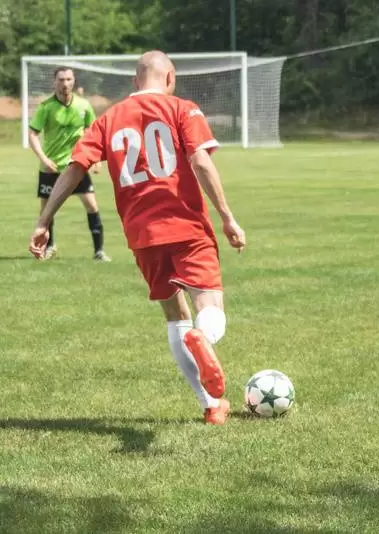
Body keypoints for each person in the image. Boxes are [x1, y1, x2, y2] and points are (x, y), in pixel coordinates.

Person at [29, 50, 246, 425]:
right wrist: (227, 216)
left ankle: (211, 405)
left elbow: (75, 168)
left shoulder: (108, 118)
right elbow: (200, 160)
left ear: (134, 81)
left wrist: (44, 220)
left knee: (175, 317)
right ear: (171, 77)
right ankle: (204, 337)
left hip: (142, 234)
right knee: (209, 306)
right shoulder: (182, 109)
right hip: (186, 225)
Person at [29, 67, 111, 261]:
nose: (65, 84)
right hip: (51, 168)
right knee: (47, 211)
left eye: (68, 79)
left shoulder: (83, 106)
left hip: (77, 165)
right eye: (61, 80)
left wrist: (96, 159)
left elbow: (93, 131)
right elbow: (32, 134)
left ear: (74, 81)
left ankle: (99, 251)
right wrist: (44, 159)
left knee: (92, 206)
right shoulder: (46, 107)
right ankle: (49, 247)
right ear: (54, 82)